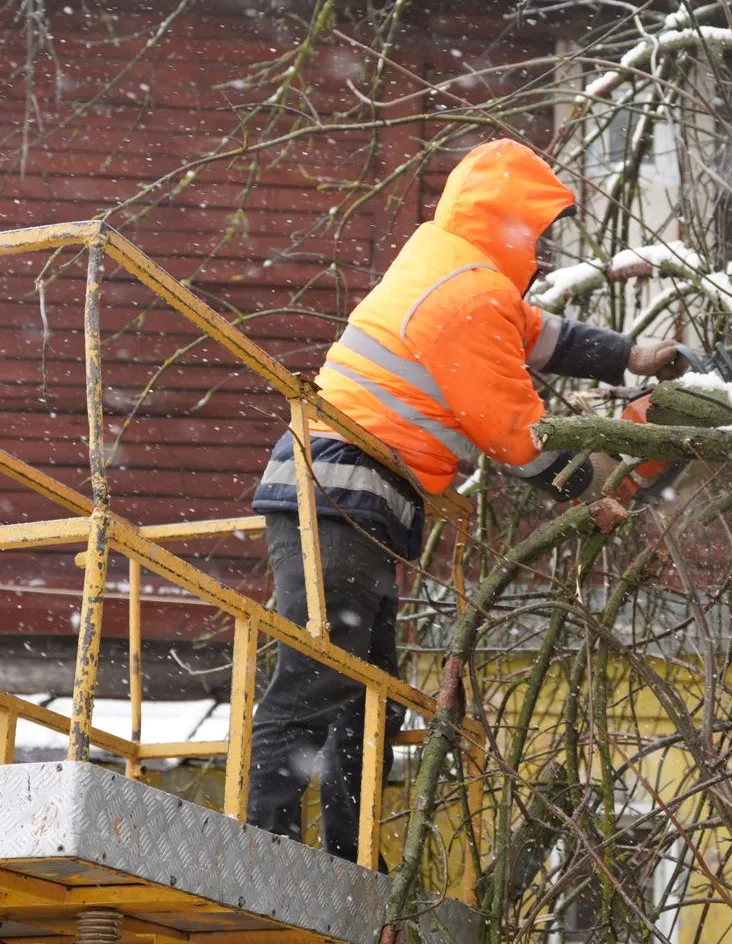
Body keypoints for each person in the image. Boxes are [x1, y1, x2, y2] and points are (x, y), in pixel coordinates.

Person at [246, 138, 686, 862]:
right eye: (537, 232)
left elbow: (538, 336)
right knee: (320, 675)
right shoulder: (467, 295)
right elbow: (516, 434)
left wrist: (628, 355)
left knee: (369, 697)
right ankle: (266, 848)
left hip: (357, 503)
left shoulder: (452, 266)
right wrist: (594, 492)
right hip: (339, 492)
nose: (543, 249)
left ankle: (349, 857)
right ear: (506, 221)